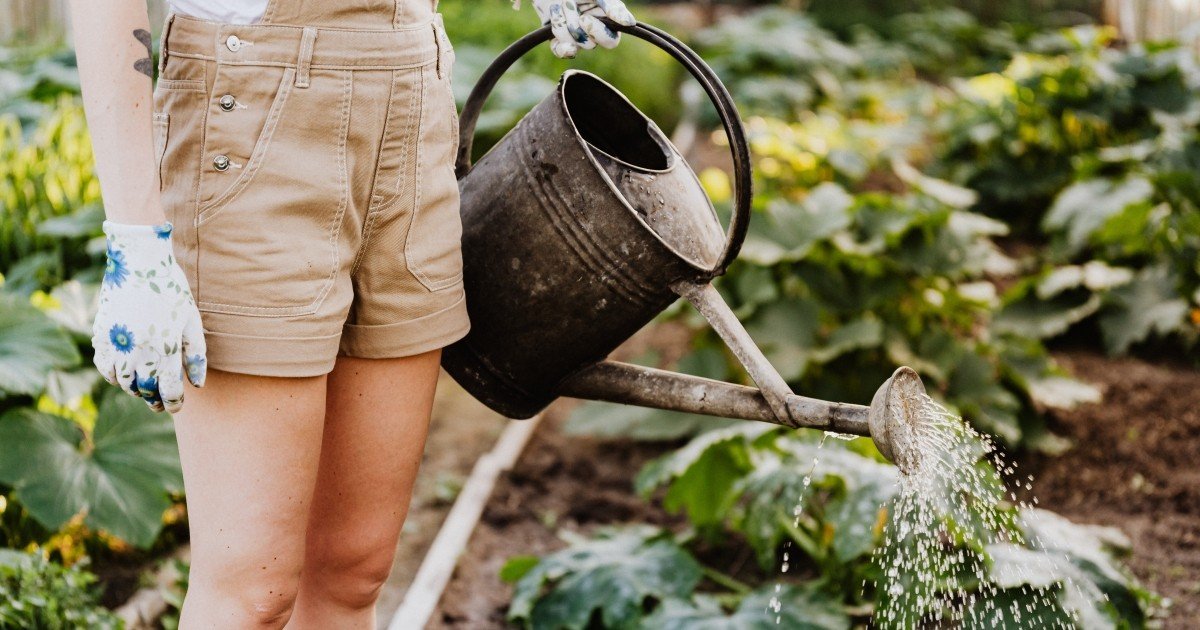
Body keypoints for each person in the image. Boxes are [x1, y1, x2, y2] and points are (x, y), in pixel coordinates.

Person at [69, 0, 635, 626]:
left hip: (413, 96)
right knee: (252, 590)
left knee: (353, 570)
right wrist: (134, 239)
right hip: (252, 110)